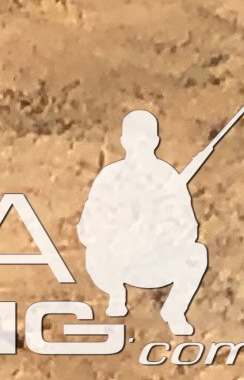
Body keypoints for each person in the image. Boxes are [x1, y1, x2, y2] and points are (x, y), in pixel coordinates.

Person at [79, 110, 213, 334]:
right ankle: (116, 295)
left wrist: (159, 230)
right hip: (117, 261)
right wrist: (118, 226)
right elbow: (87, 228)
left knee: (196, 254)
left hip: (154, 261)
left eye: (145, 137)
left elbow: (188, 228)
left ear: (155, 141)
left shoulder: (168, 178)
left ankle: (175, 310)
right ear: (123, 141)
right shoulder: (110, 177)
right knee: (94, 253)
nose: (139, 144)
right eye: (134, 138)